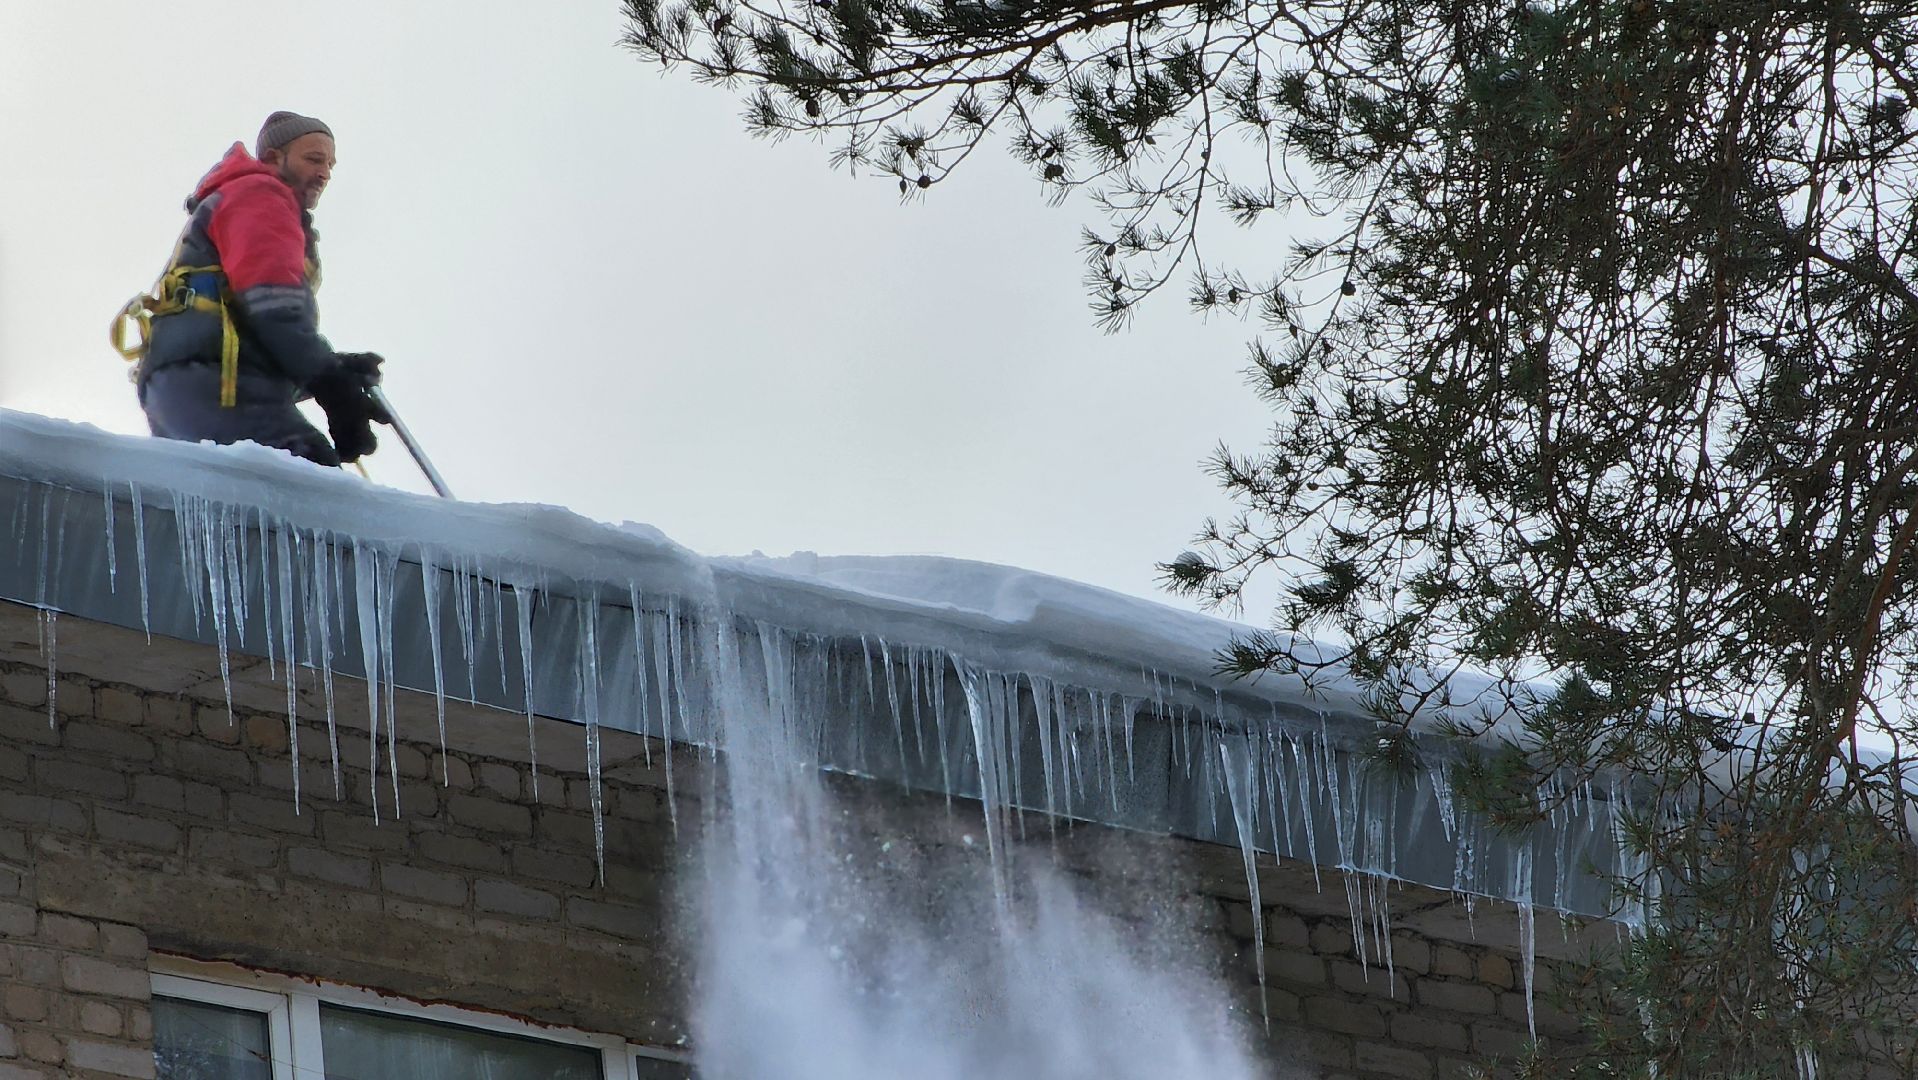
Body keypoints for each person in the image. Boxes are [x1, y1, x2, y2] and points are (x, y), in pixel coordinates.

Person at [128, 112, 386, 466]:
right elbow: (273, 308)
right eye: (314, 159)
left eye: (330, 164)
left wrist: (333, 369)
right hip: (217, 384)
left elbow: (254, 328)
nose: (324, 173)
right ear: (273, 158)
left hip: (191, 383)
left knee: (266, 486)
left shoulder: (239, 199)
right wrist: (331, 383)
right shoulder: (261, 194)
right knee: (309, 476)